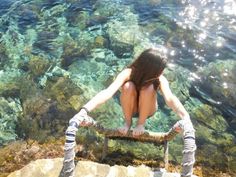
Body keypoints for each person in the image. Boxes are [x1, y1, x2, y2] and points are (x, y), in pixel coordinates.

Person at [76, 48, 191, 136]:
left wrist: (185, 117)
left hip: (148, 111)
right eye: (160, 69)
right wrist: (84, 110)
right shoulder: (128, 73)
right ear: (151, 70)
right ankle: (127, 123)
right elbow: (108, 92)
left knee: (149, 88)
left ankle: (141, 124)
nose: (162, 72)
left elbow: (170, 99)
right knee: (128, 86)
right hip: (130, 109)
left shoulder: (159, 79)